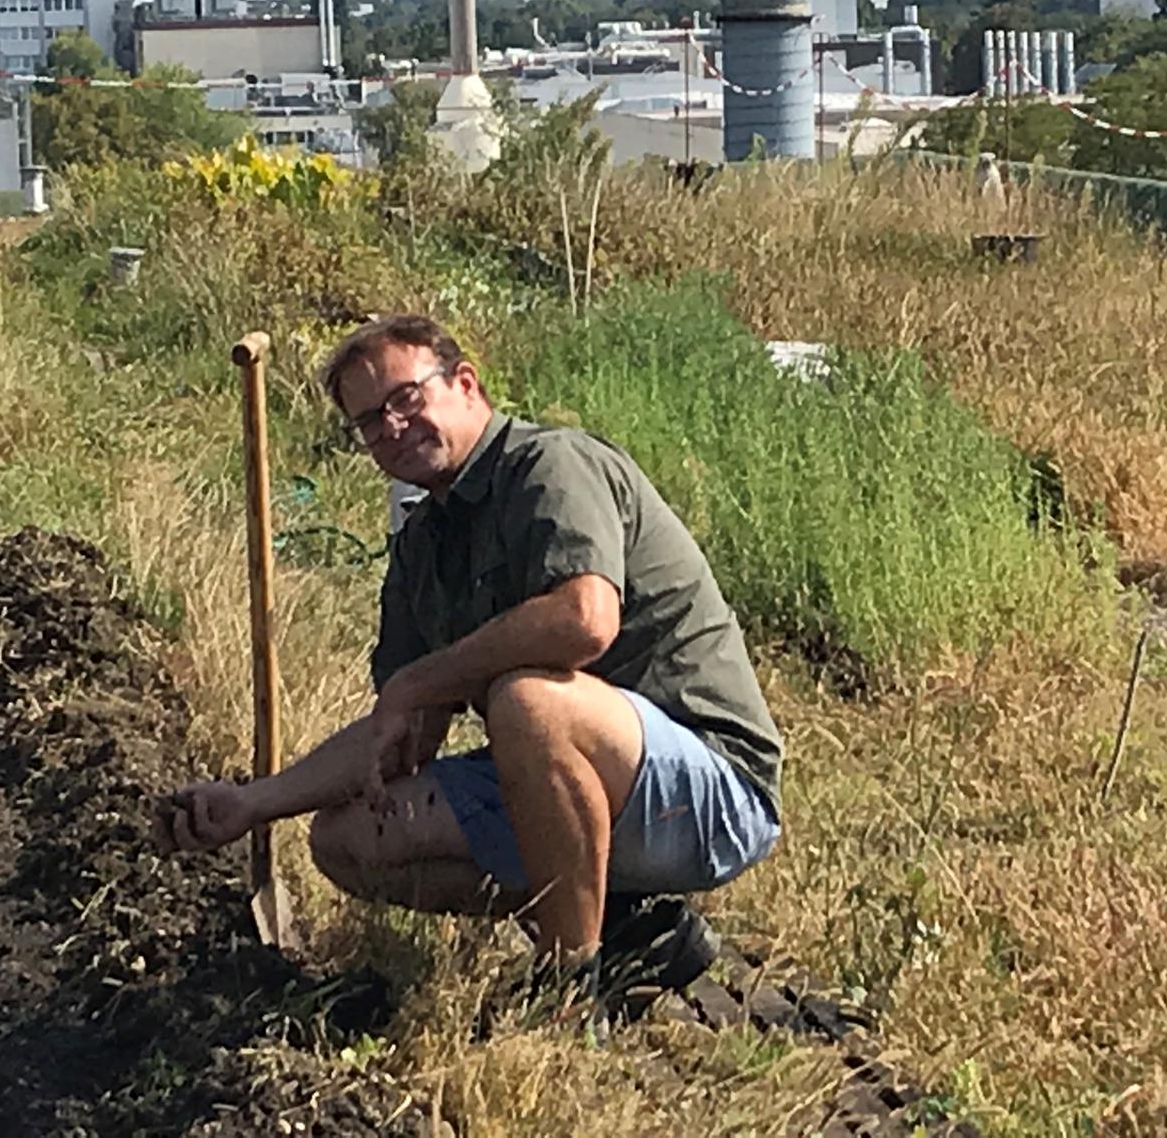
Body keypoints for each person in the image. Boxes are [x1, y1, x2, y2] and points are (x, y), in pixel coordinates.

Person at [154, 314, 783, 1015]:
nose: (392, 428)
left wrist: (419, 678)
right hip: (593, 782)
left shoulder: (551, 467)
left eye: (406, 399)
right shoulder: (424, 543)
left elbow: (584, 621)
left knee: (528, 702)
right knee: (348, 838)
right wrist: (254, 803)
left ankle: (569, 985)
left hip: (705, 789)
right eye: (369, 422)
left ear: (464, 384)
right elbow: (403, 730)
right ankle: (629, 927)